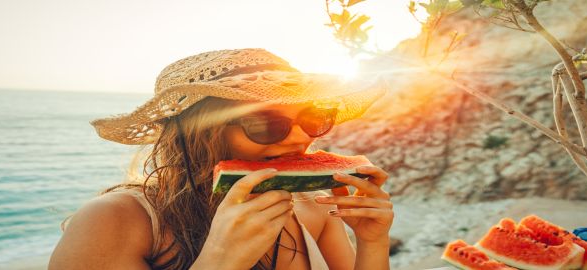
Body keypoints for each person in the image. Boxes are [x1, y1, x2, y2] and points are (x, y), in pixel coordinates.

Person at [48, 48, 392, 270]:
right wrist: (219, 261)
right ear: (202, 131)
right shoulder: (116, 220)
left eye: (314, 118)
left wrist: (372, 242)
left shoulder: (313, 208)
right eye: (266, 123)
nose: (302, 136)